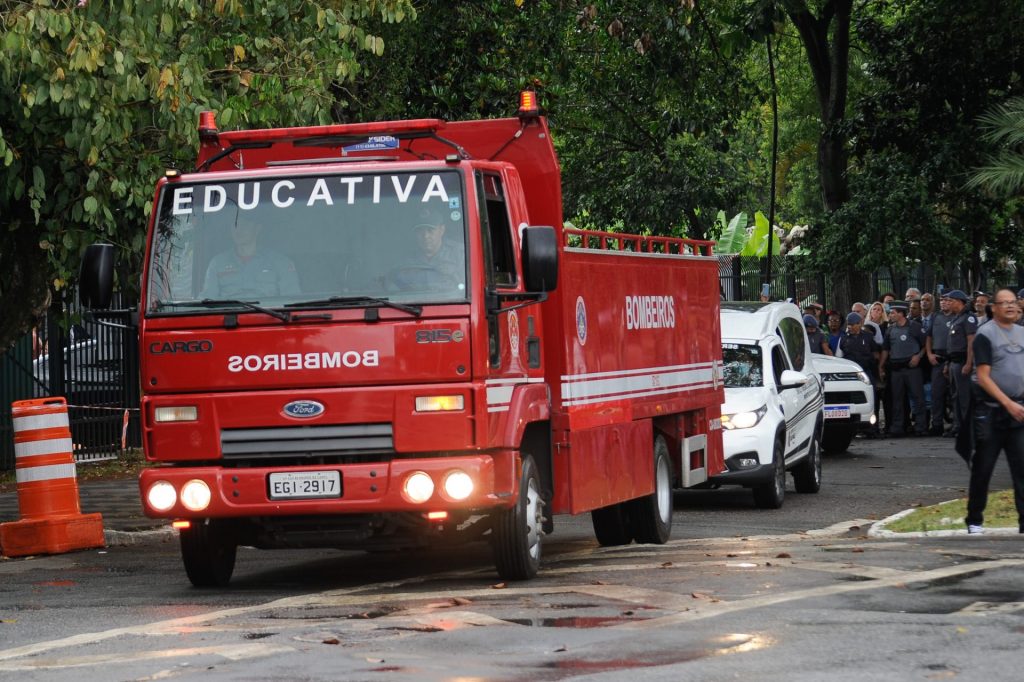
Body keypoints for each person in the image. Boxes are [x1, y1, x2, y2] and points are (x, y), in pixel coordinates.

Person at [964, 288, 1024, 535]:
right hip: (990, 412)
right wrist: (1008, 403)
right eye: (1004, 303)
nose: (1010, 306)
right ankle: (975, 520)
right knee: (983, 467)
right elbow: (984, 376)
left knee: (1022, 468)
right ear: (994, 308)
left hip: (1018, 412)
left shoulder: (1022, 333)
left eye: (1013, 302)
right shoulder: (985, 335)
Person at [200, 214, 300, 299]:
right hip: (227, 319)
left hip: (270, 318)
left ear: (257, 229)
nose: (239, 230)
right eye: (236, 225)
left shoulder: (281, 262)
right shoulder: (218, 263)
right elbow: (208, 302)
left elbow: (291, 302)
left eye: (245, 225)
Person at [879, 302, 927, 437]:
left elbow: (926, 344)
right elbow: (886, 349)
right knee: (897, 399)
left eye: (893, 312)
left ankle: (921, 426)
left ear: (901, 313)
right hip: (896, 369)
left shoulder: (915, 327)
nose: (890, 315)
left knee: (918, 397)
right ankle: (897, 427)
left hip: (912, 368)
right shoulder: (890, 329)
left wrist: (918, 356)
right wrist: (881, 366)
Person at [391, 212, 466, 291]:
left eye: (430, 230)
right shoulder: (405, 259)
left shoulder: (460, 254)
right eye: (420, 231)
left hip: (453, 301)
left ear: (442, 230)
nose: (425, 236)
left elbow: (468, 288)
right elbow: (394, 288)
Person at [944, 289, 978, 457]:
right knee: (956, 397)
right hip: (953, 362)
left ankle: (968, 430)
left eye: (951, 301)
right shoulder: (955, 318)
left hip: (963, 362)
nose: (948, 303)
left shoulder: (968, 318)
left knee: (965, 398)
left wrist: (969, 362)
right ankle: (958, 426)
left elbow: (971, 342)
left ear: (959, 301)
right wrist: (947, 363)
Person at [837, 312, 881, 435]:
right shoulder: (844, 338)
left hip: (866, 373)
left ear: (859, 324)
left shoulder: (867, 337)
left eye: (852, 324)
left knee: (872, 399)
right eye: (848, 324)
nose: (850, 327)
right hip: (850, 376)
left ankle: (873, 428)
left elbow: (876, 354)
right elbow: (838, 357)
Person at [926, 293, 953, 435]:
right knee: (936, 394)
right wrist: (929, 354)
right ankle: (936, 424)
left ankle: (955, 424)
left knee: (954, 395)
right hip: (937, 359)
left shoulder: (958, 317)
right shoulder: (936, 316)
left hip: (953, 359)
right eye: (942, 300)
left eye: (947, 300)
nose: (944, 303)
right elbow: (929, 337)